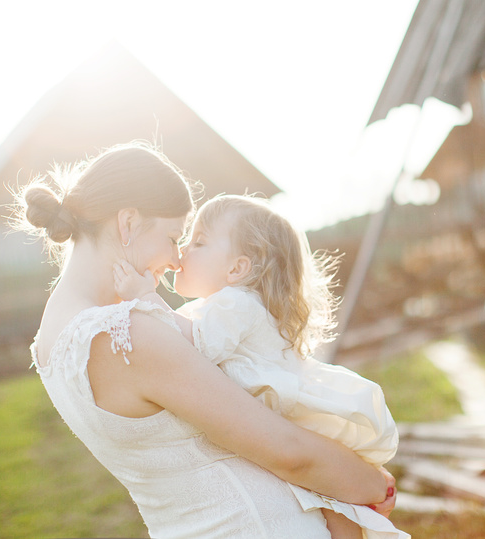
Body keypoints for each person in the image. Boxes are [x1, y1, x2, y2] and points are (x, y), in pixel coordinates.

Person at [13, 142, 395, 539]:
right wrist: (373, 485)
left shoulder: (51, 344)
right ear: (127, 223)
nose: (177, 259)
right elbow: (287, 450)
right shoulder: (129, 334)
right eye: (174, 236)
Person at [114, 194, 408, 539]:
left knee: (334, 505)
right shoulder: (229, 305)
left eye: (199, 242)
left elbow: (192, 345)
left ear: (237, 268)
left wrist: (145, 297)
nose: (182, 253)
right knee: (333, 508)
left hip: (291, 420)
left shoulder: (235, 303)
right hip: (286, 419)